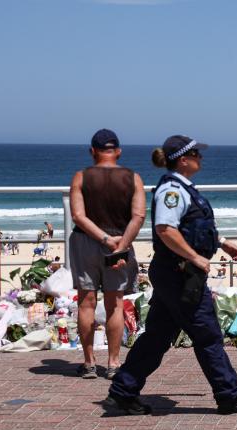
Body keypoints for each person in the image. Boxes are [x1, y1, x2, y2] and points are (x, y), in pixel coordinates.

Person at [106, 134, 237, 415]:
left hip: (175, 273)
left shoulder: (183, 189)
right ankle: (228, 395)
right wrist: (195, 257)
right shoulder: (173, 191)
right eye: (196, 154)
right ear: (183, 160)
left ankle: (123, 390)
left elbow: (190, 227)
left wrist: (221, 242)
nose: (200, 158)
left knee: (157, 336)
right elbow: (166, 230)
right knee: (207, 334)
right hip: (179, 275)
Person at [68, 129, 146, 380]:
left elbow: (78, 216)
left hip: (85, 241)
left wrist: (103, 238)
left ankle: (89, 362)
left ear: (92, 151)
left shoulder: (81, 177)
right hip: (120, 243)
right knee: (115, 303)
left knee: (86, 302)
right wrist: (120, 244)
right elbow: (139, 216)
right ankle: (113, 363)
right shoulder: (133, 178)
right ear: (118, 151)